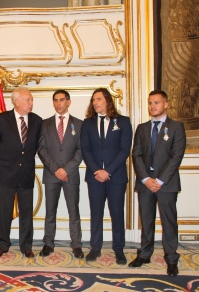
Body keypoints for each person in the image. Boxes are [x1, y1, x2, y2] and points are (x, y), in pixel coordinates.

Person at [130, 90, 186, 277]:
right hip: (146, 184)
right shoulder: (142, 128)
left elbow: (176, 156)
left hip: (166, 184)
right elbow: (136, 154)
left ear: (166, 104)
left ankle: (171, 258)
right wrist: (146, 179)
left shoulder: (177, 127)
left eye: (156, 103)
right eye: (150, 103)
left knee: (169, 222)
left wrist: (159, 180)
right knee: (146, 221)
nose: (153, 106)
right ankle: (144, 254)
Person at [80, 88, 133, 265]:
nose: (95, 103)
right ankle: (95, 248)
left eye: (99, 99)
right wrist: (97, 170)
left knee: (117, 214)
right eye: (93, 100)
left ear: (108, 101)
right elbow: (85, 150)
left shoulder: (123, 122)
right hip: (94, 177)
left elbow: (124, 150)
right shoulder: (87, 124)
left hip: (116, 177)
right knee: (96, 213)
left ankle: (119, 249)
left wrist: (107, 171)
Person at [0, 87, 42, 258]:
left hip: (26, 173)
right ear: (16, 101)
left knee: (26, 212)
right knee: (4, 212)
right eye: (28, 100)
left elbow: (36, 146)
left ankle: (26, 245)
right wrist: (6, 164)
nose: (31, 103)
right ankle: (2, 245)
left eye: (32, 100)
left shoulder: (37, 120)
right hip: (6, 173)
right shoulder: (1, 119)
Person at [37, 90, 84, 259]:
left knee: (74, 212)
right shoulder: (44, 124)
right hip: (51, 175)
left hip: (71, 175)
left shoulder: (79, 124)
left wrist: (66, 169)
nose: (58, 103)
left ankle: (77, 245)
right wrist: (56, 169)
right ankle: (48, 243)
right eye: (55, 100)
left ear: (69, 102)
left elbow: (80, 150)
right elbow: (41, 149)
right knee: (50, 212)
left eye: (62, 100)